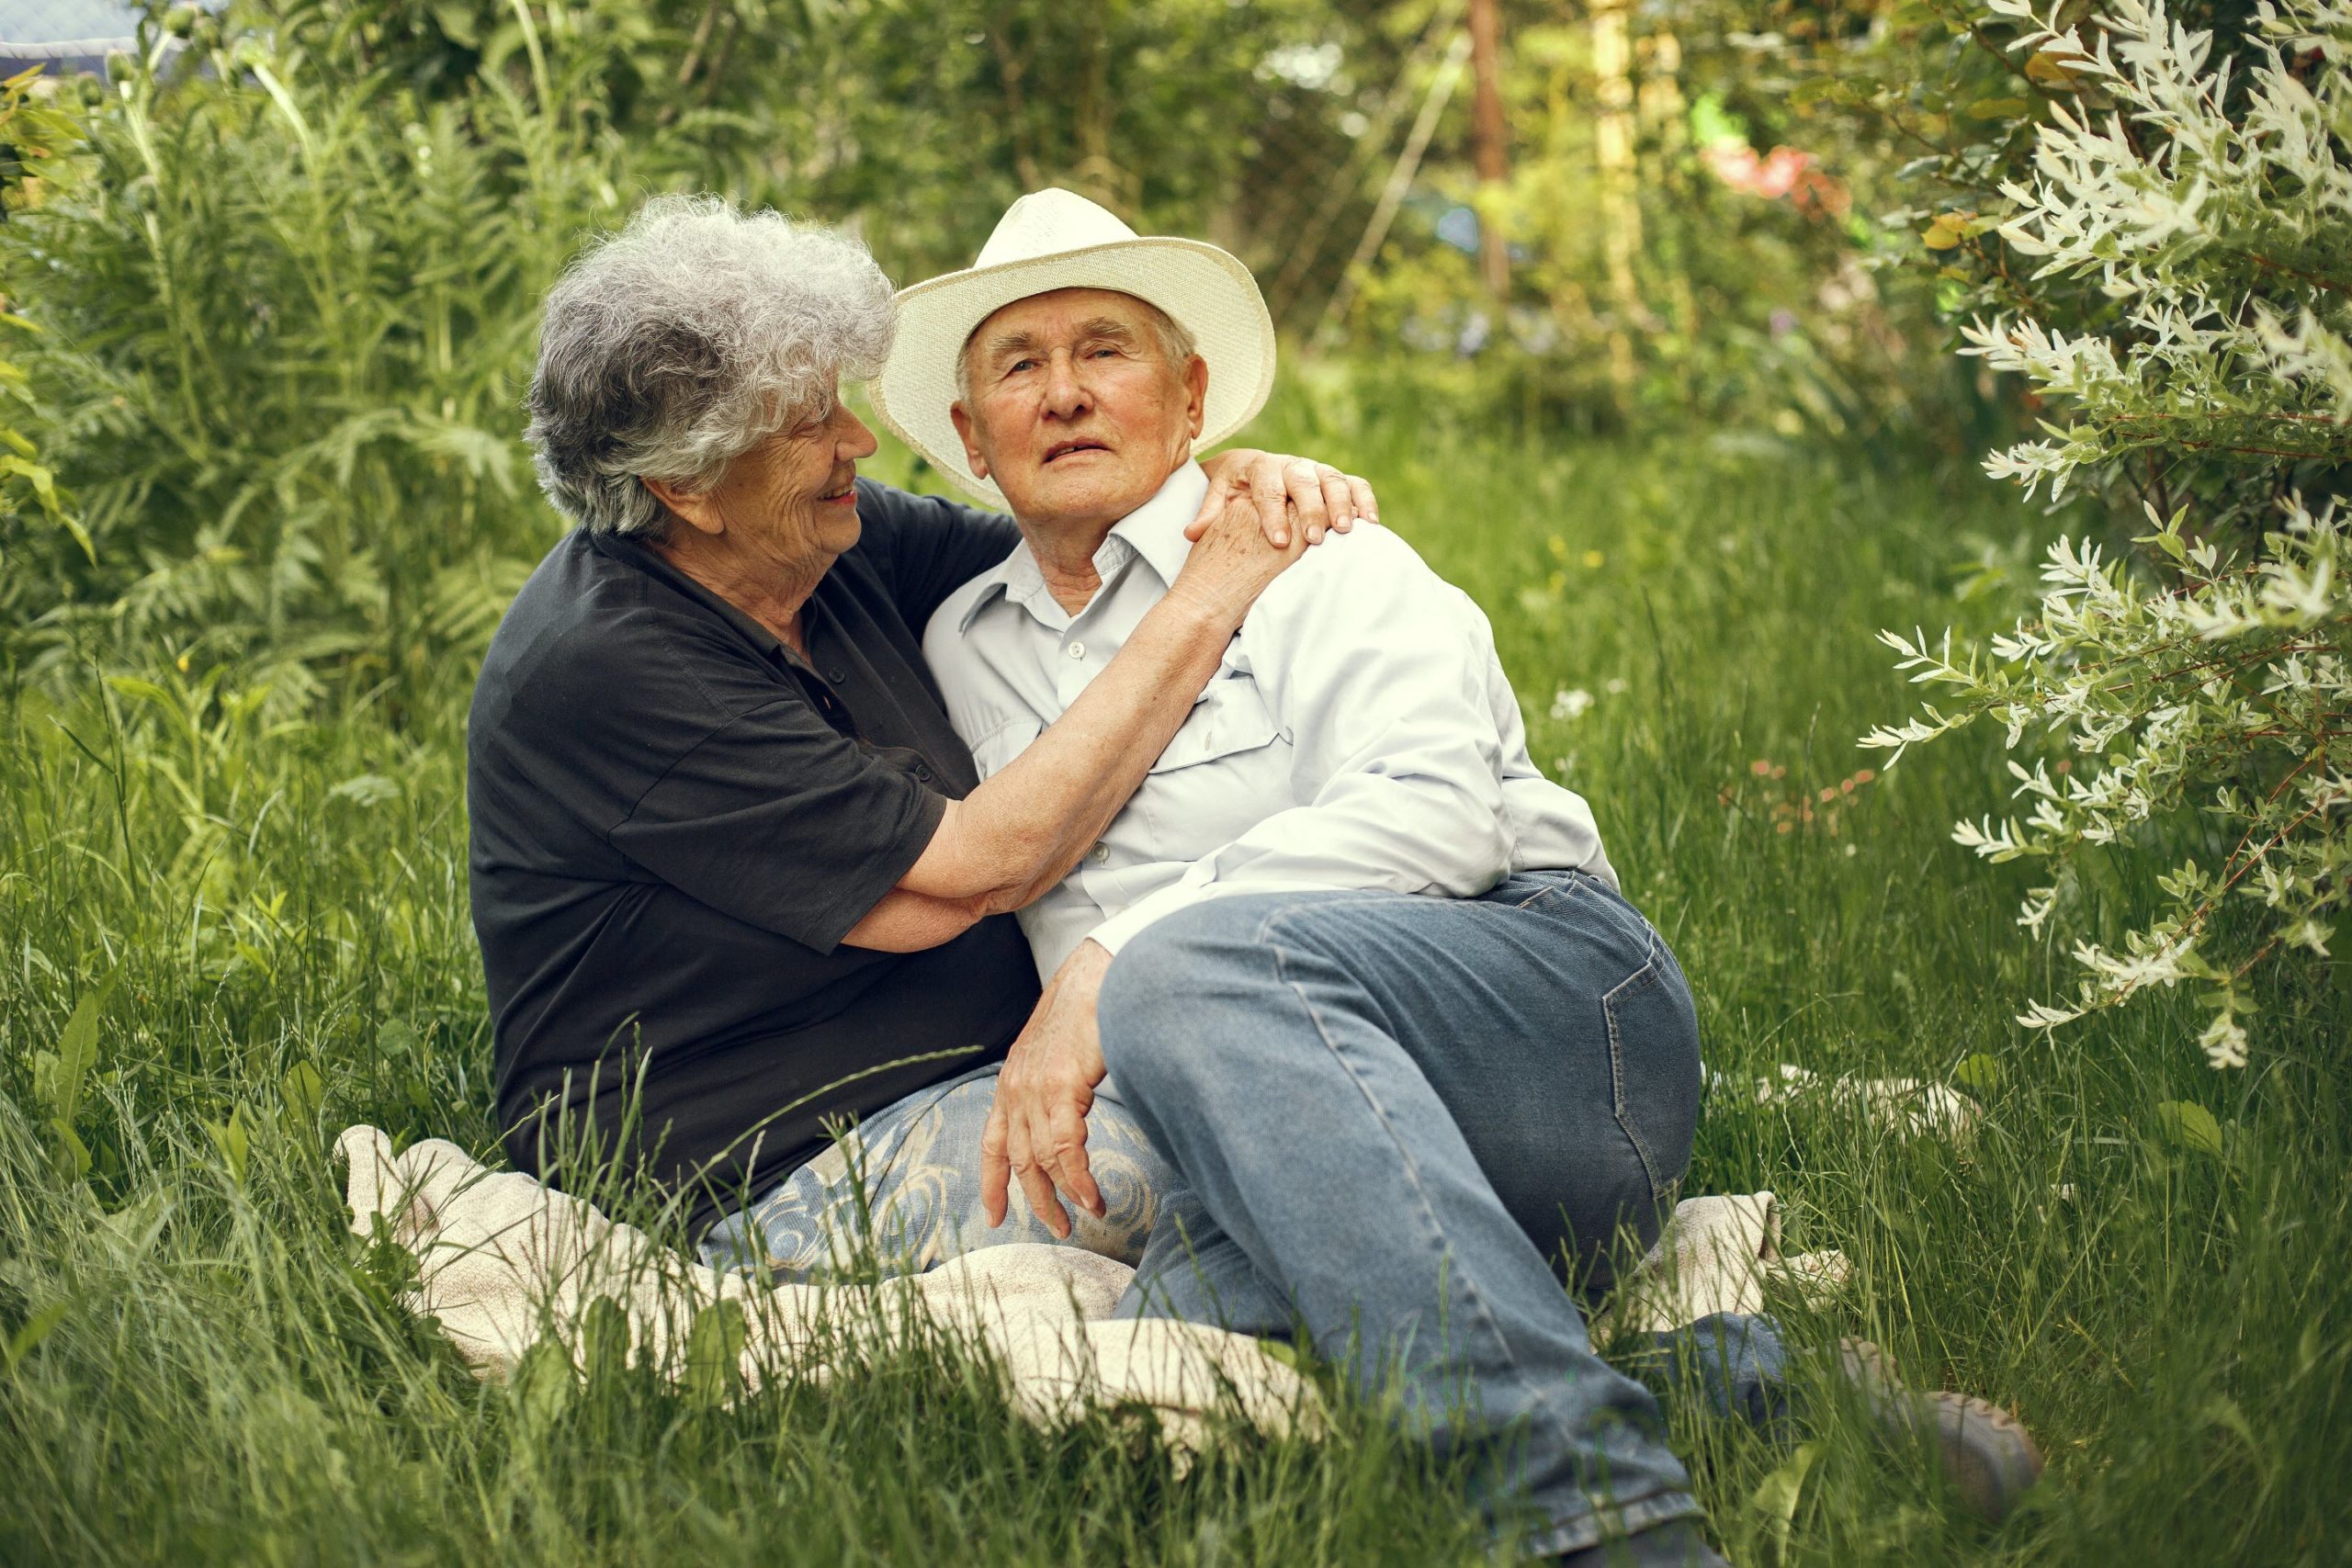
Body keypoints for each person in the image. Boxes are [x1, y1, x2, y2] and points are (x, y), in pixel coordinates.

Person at [871, 188, 2042, 1564]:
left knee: (1186, 972)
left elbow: (1438, 820)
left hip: (1547, 1022)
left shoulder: (1320, 554)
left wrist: (1112, 956)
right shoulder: (958, 640)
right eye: (1020, 363)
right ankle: (1769, 1392)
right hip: (1276, 1122)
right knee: (1199, 1394)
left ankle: (1601, 1524)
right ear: (968, 437)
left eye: (1106, 349)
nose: (1065, 393)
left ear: (1191, 401)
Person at [469, 193, 1376, 1261]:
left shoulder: (823, 538)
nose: (858, 441)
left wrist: (1222, 476)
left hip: (977, 1078)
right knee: (1278, 1134)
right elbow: (977, 873)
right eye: (811, 425)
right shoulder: (610, 667)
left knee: (1315, 1084)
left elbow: (1080, 536)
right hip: (758, 1161)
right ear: (686, 485)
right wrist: (1210, 592)